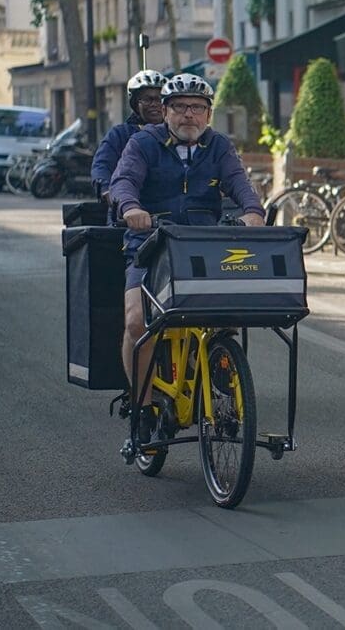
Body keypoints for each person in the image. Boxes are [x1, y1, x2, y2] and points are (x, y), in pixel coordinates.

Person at [109, 73, 265, 426]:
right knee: (137, 322)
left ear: (208, 115)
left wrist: (253, 212)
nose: (188, 115)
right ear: (165, 112)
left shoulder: (219, 146)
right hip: (149, 243)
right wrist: (131, 208)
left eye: (197, 108)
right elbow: (124, 180)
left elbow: (239, 183)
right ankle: (144, 407)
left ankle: (219, 374)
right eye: (180, 107)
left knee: (225, 320)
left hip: (202, 246)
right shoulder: (143, 142)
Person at [90, 69, 167, 203]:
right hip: (127, 206)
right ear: (135, 104)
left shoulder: (177, 134)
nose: (154, 104)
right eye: (147, 99)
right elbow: (102, 166)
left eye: (160, 99)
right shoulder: (120, 134)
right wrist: (107, 191)